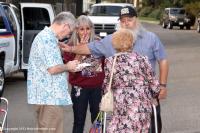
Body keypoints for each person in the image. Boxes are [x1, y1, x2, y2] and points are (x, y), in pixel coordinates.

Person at [60, 6, 169, 133]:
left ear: (137, 20)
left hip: (144, 100)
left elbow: (163, 60)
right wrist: (71, 49)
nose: (126, 23)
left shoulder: (151, 38)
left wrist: (163, 85)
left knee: (151, 128)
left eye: (129, 19)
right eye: (122, 20)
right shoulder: (111, 40)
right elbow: (89, 48)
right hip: (123, 106)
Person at [27, 12, 78, 133]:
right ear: (65, 26)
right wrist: (68, 66)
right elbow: (53, 69)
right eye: (69, 32)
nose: (68, 35)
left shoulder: (47, 37)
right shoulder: (47, 39)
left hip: (46, 96)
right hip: (49, 97)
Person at [104, 28, 160, 133]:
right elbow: (153, 83)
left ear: (114, 43)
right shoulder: (143, 59)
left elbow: (106, 86)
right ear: (132, 42)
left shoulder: (110, 61)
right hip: (141, 105)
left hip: (120, 105)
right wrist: (154, 94)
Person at [63, 15, 105, 133]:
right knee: (79, 121)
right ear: (76, 30)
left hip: (97, 88)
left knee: (97, 121)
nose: (85, 31)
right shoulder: (69, 45)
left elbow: (106, 64)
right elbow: (73, 68)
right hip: (79, 88)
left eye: (88, 28)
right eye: (81, 29)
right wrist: (80, 48)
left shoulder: (98, 43)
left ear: (91, 29)